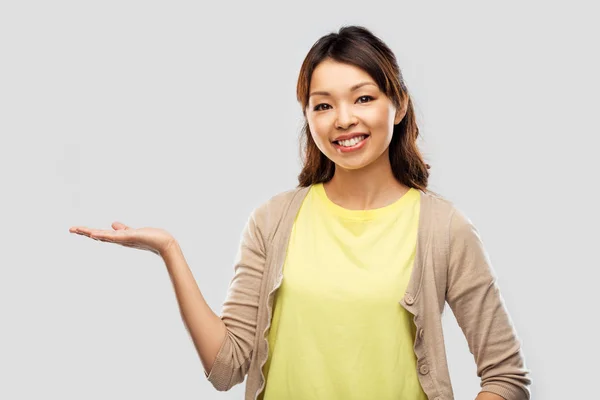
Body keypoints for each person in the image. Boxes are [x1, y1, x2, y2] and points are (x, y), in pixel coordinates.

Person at [70, 25, 531, 400]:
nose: (343, 119)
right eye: (323, 105)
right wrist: (169, 250)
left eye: (363, 98)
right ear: (308, 117)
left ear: (399, 104)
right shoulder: (272, 221)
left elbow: (505, 377)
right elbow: (227, 368)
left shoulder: (443, 228)